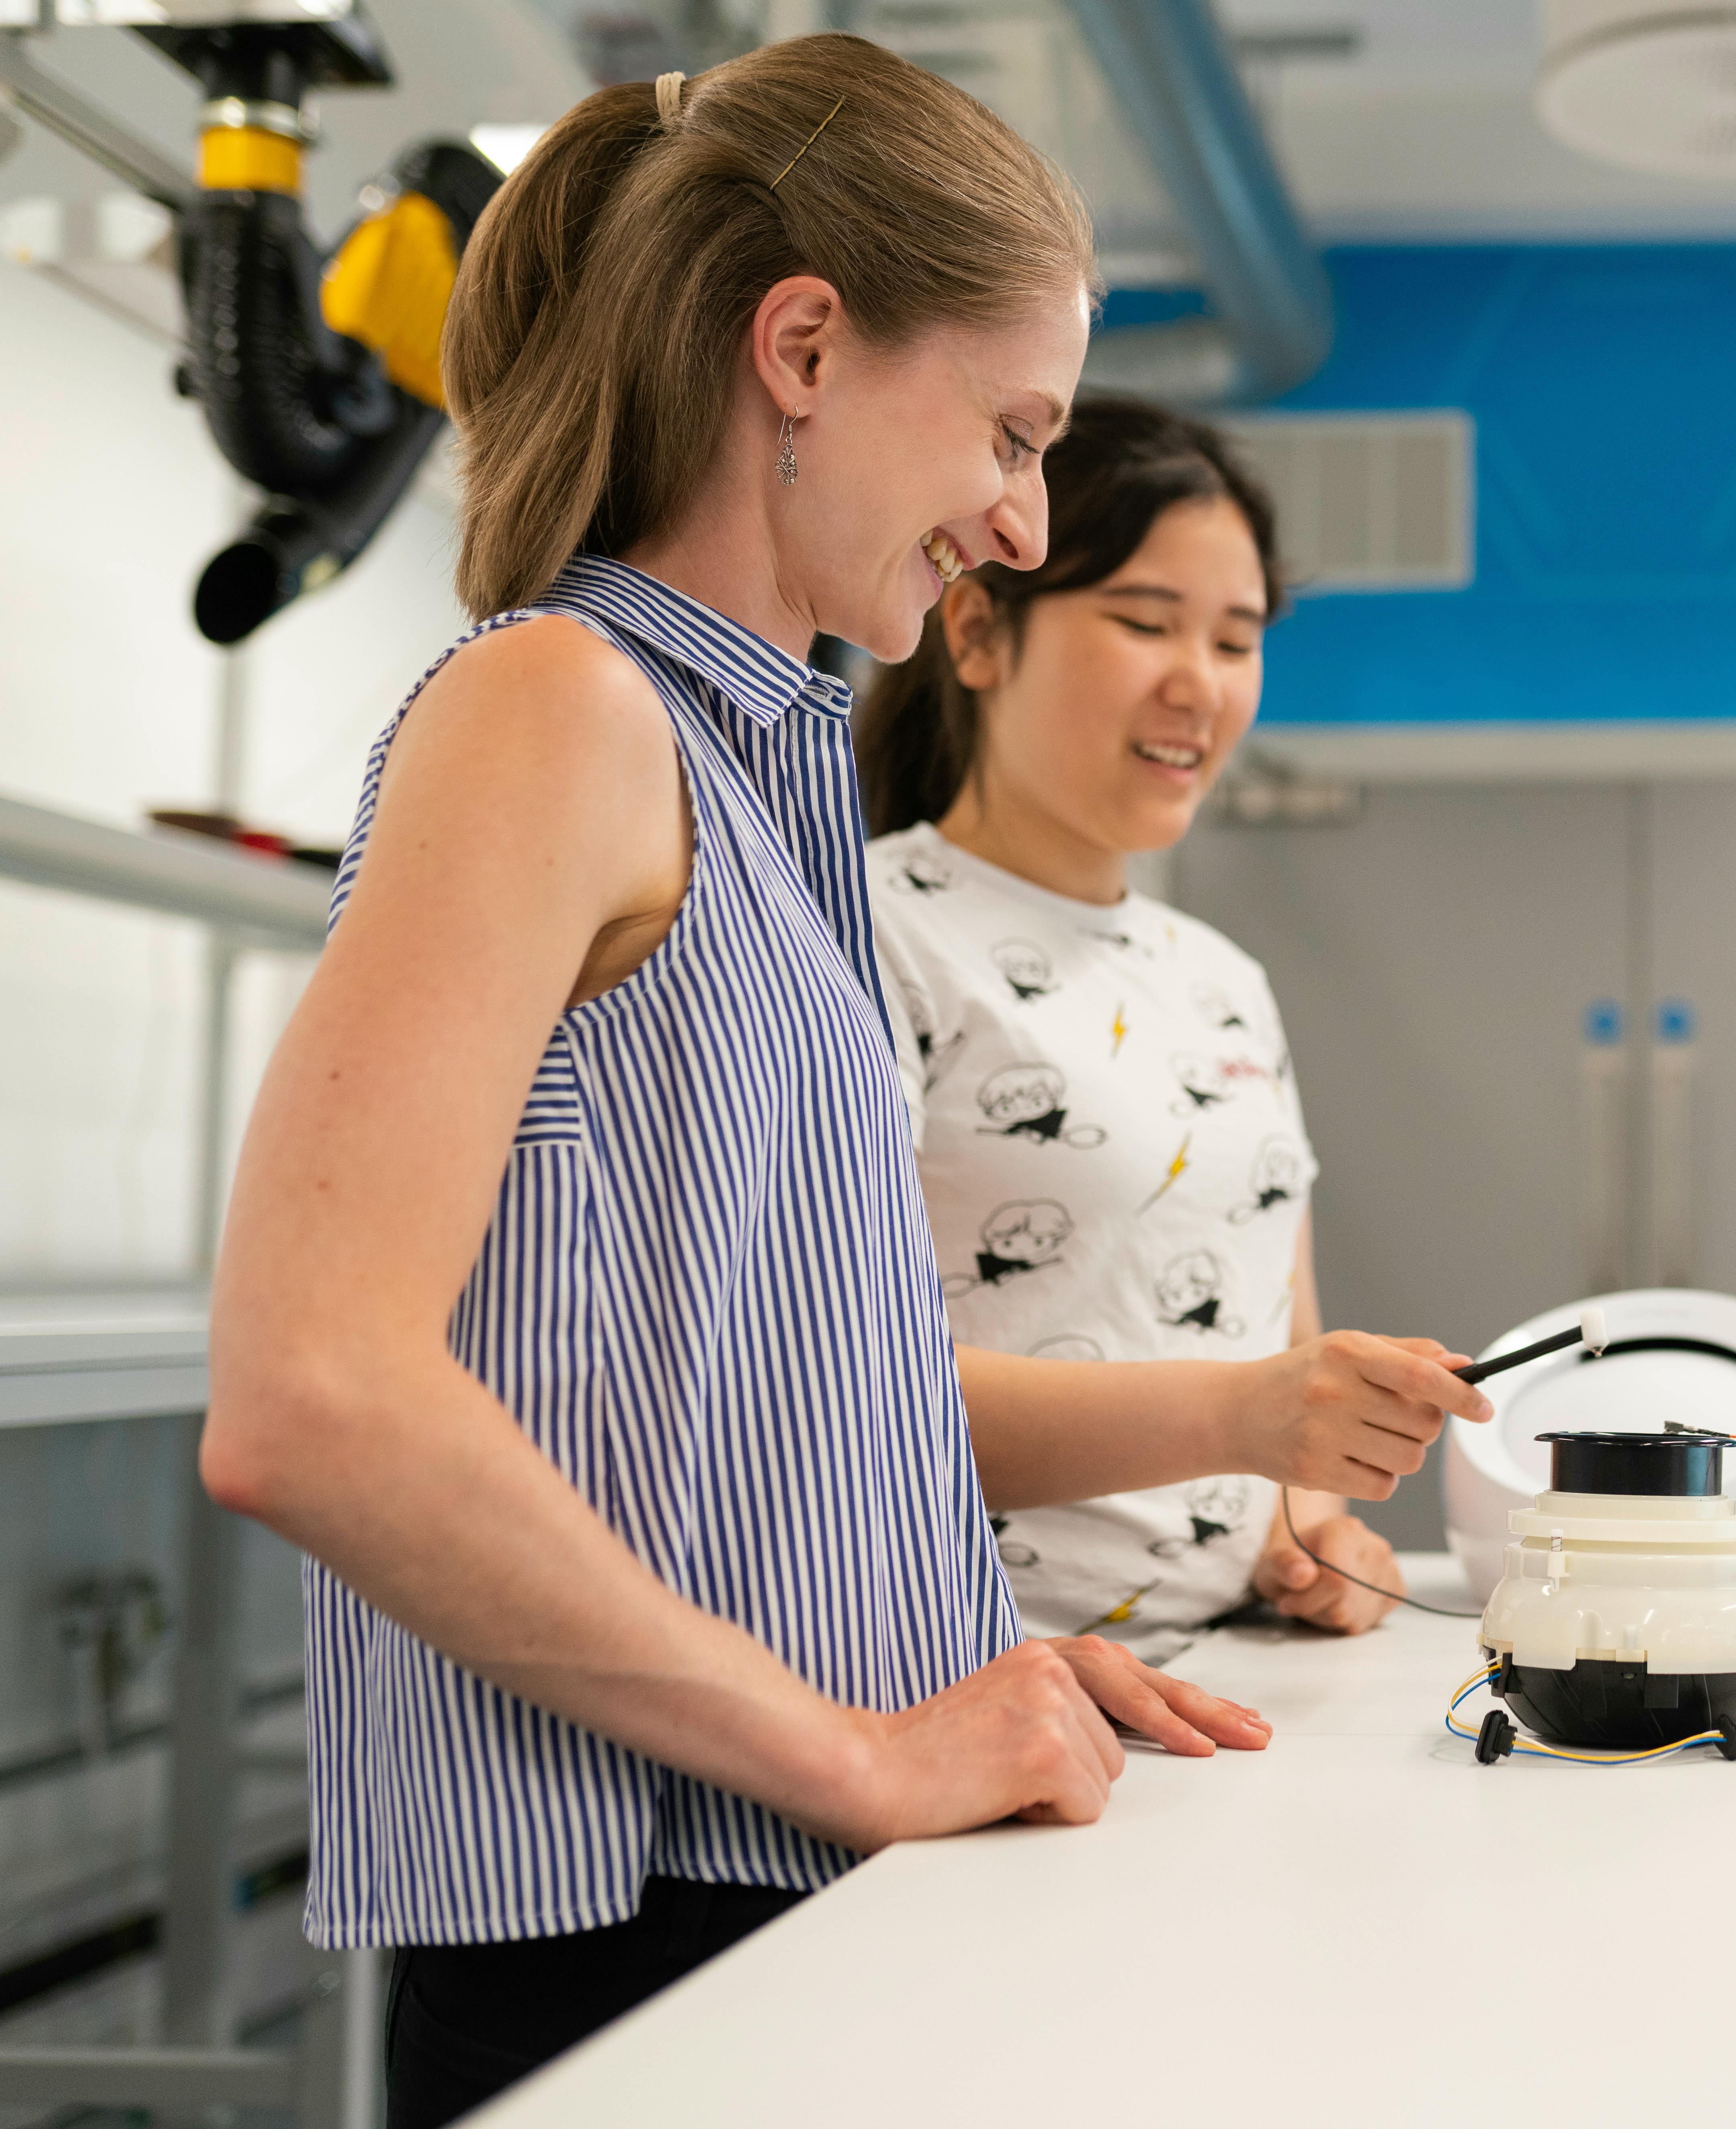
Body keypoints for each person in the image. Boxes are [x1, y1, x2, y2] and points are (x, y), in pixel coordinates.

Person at [195, 41, 1487, 2126]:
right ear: (801, 346)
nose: (1022, 514)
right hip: (630, 1913)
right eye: (1009, 427)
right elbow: (313, 1398)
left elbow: (770, 1397)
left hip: (773, 1860)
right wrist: (866, 1745)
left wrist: (946, 1657)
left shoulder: (758, 767)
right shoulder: (560, 708)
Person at [857, 398, 1402, 1660]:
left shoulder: (1224, 980)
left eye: (1236, 638)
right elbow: (844, 1386)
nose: (1197, 683)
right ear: (982, 631)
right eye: (1146, 622)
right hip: (980, 1683)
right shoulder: (873, 931)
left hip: (1227, 1678)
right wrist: (1243, 1417)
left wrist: (1318, 1532)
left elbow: (1283, 1339)